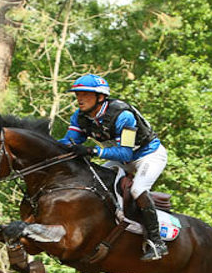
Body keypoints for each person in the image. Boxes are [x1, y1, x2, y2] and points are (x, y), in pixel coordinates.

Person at [58, 74, 169, 261]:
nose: (79, 98)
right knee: (96, 182)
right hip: (121, 156)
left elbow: (126, 154)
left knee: (138, 189)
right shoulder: (80, 116)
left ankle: (157, 242)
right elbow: (69, 142)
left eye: (85, 94)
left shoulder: (122, 115)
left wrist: (92, 151)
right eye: (77, 94)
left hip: (148, 156)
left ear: (100, 97)